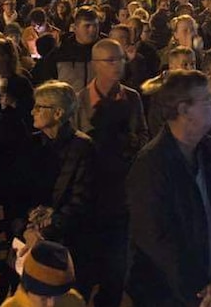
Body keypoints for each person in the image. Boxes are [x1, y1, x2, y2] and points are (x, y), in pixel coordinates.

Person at [126, 70, 211, 307]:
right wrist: (198, 290)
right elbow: (155, 238)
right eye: (206, 100)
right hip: (169, 296)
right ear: (183, 110)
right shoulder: (151, 165)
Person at [76, 39, 148, 307]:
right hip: (90, 196)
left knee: (115, 274)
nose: (118, 65)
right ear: (95, 64)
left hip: (120, 196)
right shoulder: (80, 101)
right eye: (110, 60)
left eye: (120, 59)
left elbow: (143, 136)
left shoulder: (132, 98)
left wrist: (127, 142)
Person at [11, 81, 96, 301]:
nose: (32, 111)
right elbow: (18, 195)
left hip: (65, 245)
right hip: (29, 241)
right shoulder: (30, 145)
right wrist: (27, 230)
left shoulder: (83, 148)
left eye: (39, 107)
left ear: (58, 113)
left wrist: (44, 232)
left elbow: (81, 200)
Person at [1, 241, 87, 307]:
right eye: (43, 298)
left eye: (58, 295)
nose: (51, 304)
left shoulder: (74, 301)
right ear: (28, 290)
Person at [39, 6, 100, 92]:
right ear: (75, 28)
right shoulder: (60, 53)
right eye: (87, 26)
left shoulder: (104, 52)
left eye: (95, 25)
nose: (93, 30)